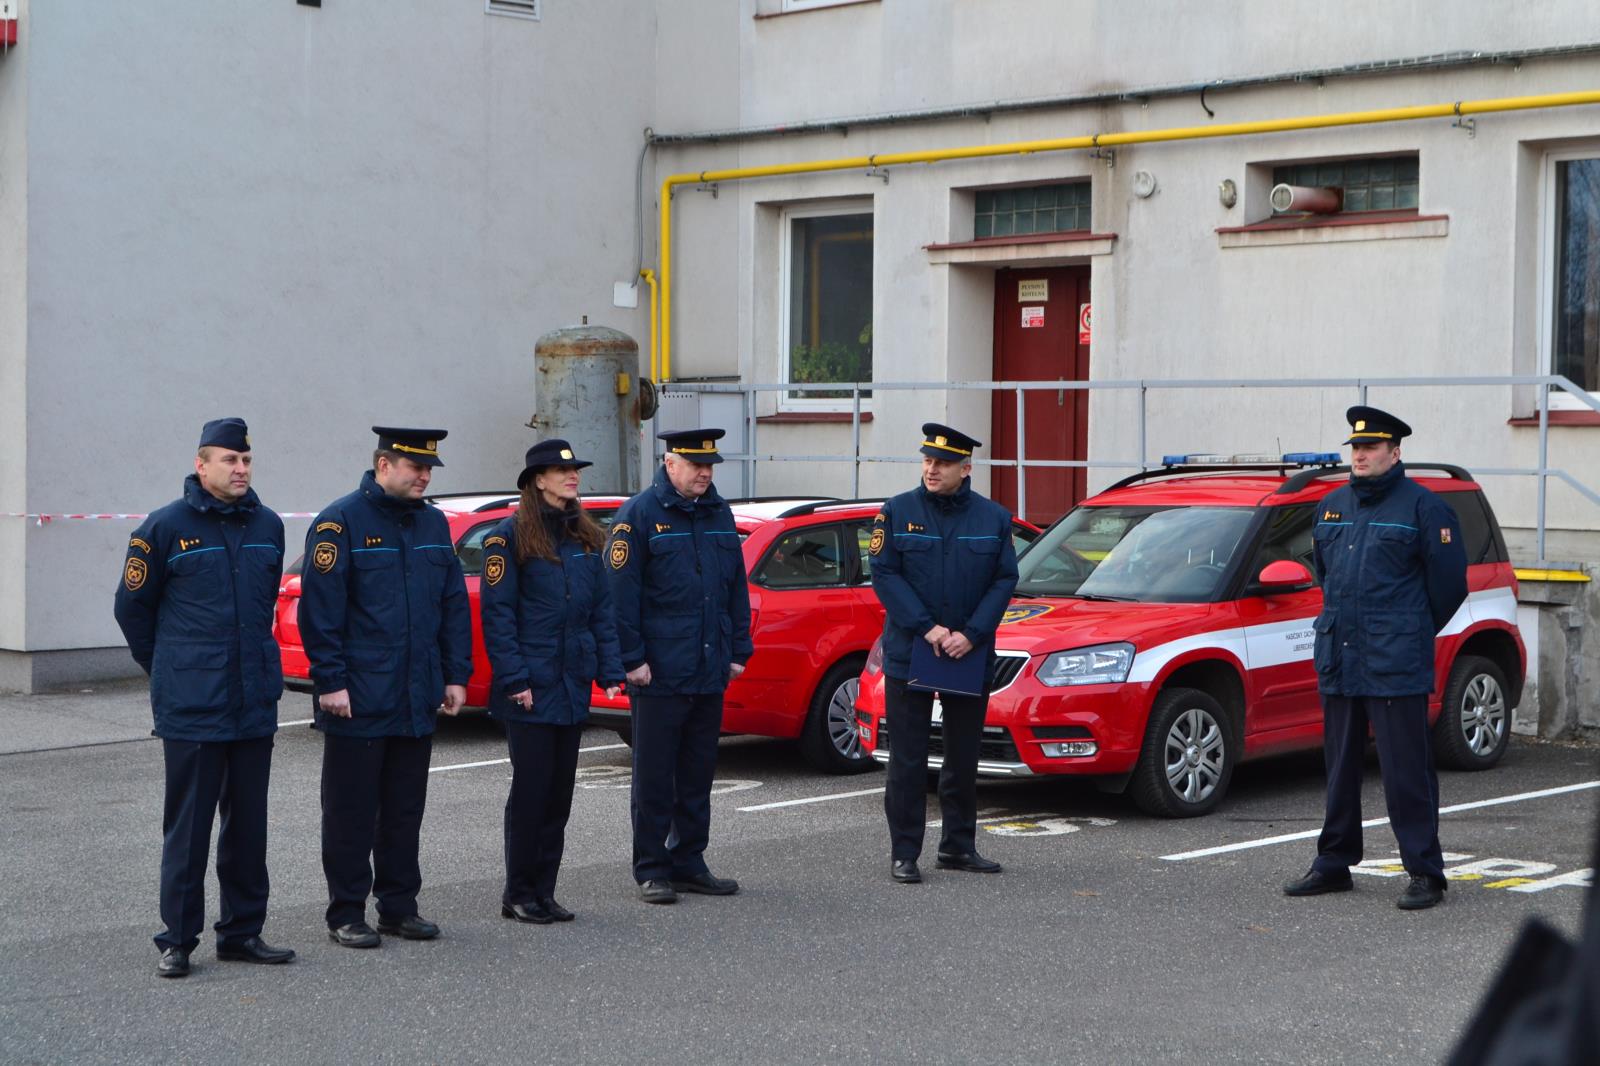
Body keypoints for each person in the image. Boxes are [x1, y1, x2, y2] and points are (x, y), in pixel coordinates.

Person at [113, 418, 295, 978]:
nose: (240, 469)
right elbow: (132, 608)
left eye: (246, 461)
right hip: (193, 705)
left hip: (252, 701)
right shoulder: (164, 527)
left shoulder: (266, 524)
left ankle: (242, 932)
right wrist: (168, 668)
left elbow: (261, 605)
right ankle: (178, 939)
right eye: (228, 461)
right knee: (188, 829)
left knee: (248, 828)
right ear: (201, 465)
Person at [1284, 405, 1468, 910]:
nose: (1360, 455)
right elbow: (1328, 576)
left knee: (1406, 770)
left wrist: (1406, 629)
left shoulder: (1424, 509)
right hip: (1341, 655)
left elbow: (1449, 586)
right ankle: (1334, 863)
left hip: (1395, 659)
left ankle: (1425, 872)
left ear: (1395, 452)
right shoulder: (1331, 505)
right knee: (1339, 767)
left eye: (1371, 447)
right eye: (1356, 448)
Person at [298, 426, 473, 946]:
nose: (424, 476)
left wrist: (454, 674)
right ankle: (346, 913)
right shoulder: (340, 522)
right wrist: (330, 681)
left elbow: (451, 606)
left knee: (403, 809)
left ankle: (398, 907)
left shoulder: (434, 523)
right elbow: (320, 611)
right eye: (414, 467)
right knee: (351, 811)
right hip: (358, 695)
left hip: (415, 693)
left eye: (428, 469)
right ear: (382, 466)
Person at [479, 439, 625, 924]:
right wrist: (515, 678)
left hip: (571, 681)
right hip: (532, 687)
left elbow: (601, 610)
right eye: (560, 472)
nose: (571, 477)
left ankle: (545, 890)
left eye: (575, 471)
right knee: (532, 792)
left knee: (559, 794)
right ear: (536, 480)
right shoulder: (509, 538)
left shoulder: (585, 537)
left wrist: (609, 668)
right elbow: (498, 617)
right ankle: (518, 893)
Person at [869, 423, 1019, 885]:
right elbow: (885, 575)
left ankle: (958, 846)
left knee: (963, 755)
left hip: (966, 653)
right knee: (908, 758)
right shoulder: (897, 511)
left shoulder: (992, 518)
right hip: (912, 651)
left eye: (943, 463)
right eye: (928, 460)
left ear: (965, 468)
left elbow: (1003, 580)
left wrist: (971, 634)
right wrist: (929, 628)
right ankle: (905, 853)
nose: (932, 469)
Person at [607, 428, 752, 904]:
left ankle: (689, 859)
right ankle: (651, 867)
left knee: (697, 772)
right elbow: (620, 597)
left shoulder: (719, 512)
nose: (705, 473)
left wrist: (738, 650)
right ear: (670, 464)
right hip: (661, 671)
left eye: (709, 465)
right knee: (654, 775)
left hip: (708, 666)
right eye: (695, 465)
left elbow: (733, 588)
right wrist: (632, 660)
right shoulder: (640, 516)